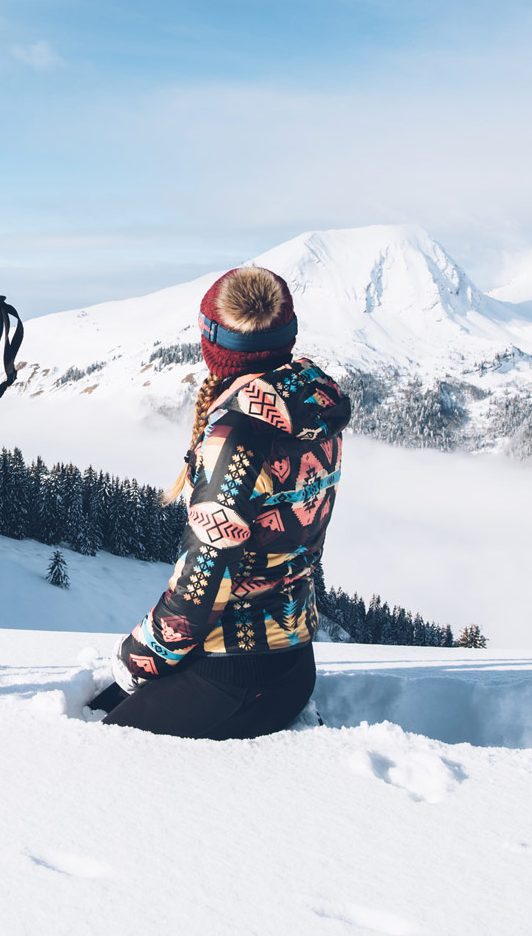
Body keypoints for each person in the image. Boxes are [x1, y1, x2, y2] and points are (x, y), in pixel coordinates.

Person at [93, 265, 351, 738]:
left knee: (96, 749)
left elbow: (197, 597)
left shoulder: (237, 437)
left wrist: (134, 658)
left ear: (212, 343)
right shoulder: (310, 407)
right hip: (292, 661)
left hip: (232, 675)